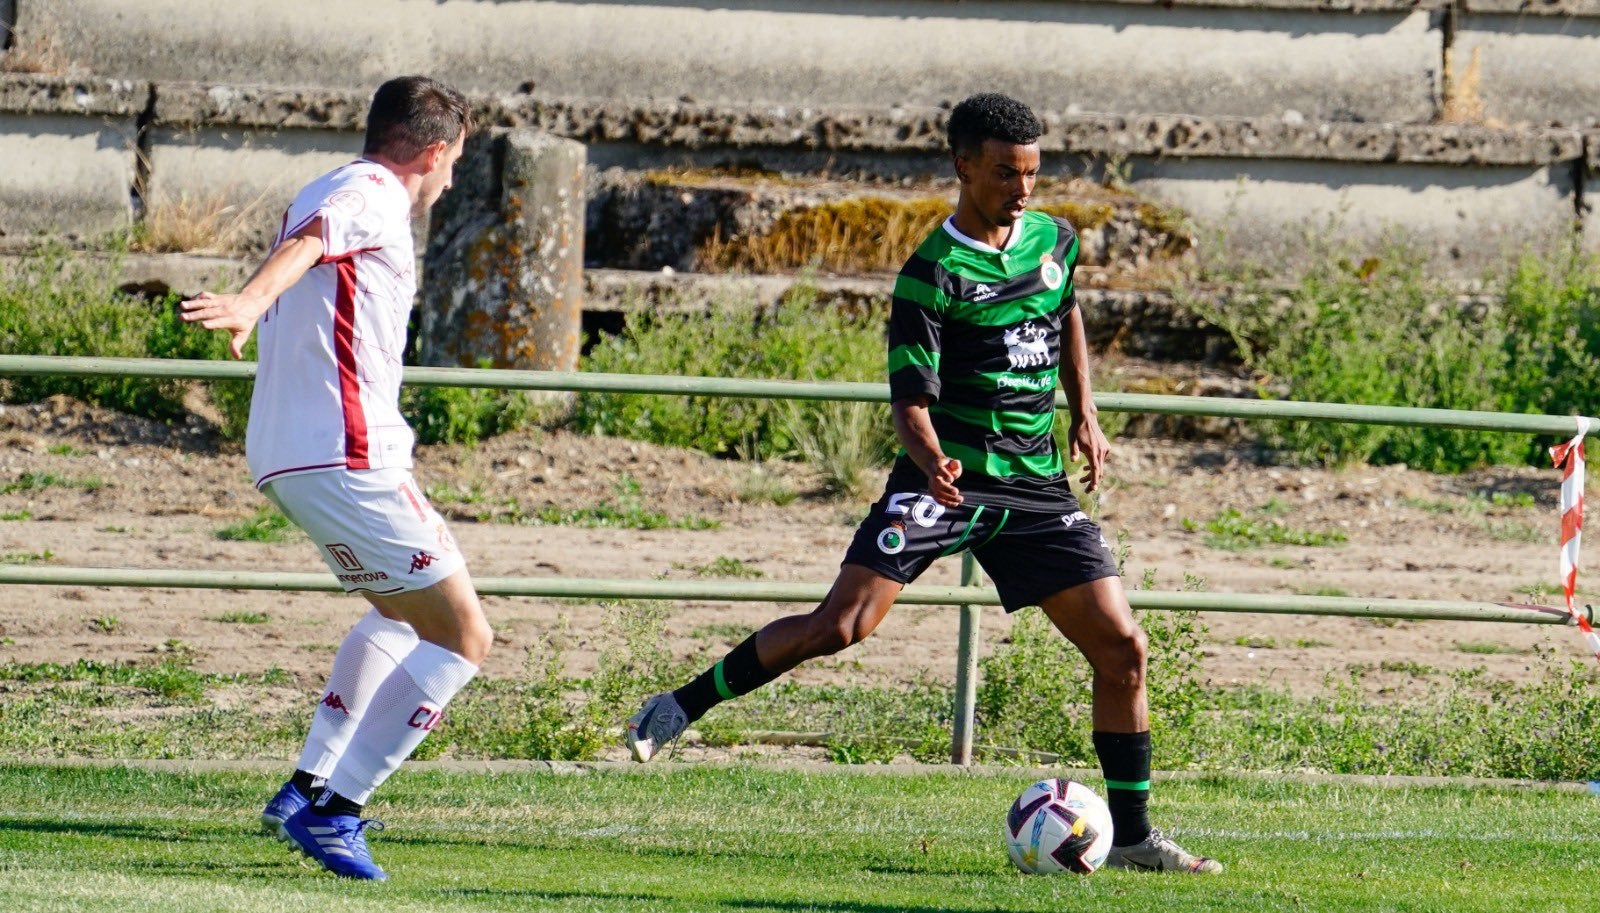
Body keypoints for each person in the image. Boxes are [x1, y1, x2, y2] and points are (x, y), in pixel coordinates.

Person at [625, 92, 1221, 874]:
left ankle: (1135, 836)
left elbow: (1065, 311)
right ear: (964, 166)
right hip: (945, 482)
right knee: (840, 627)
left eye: (1034, 173)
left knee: (1124, 649)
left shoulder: (1055, 240)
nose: (1023, 189)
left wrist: (1086, 411)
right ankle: (680, 705)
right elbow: (909, 402)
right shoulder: (930, 273)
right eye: (1008, 173)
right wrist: (933, 456)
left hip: (1037, 489)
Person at [180, 75, 485, 882]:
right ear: (431, 150)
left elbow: (314, 236)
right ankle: (337, 810)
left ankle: (307, 785)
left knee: (400, 615)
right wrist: (248, 301)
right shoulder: (371, 191)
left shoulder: (333, 182)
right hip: (350, 454)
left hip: (291, 456)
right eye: (454, 161)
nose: (451, 180)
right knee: (464, 635)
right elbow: (311, 241)